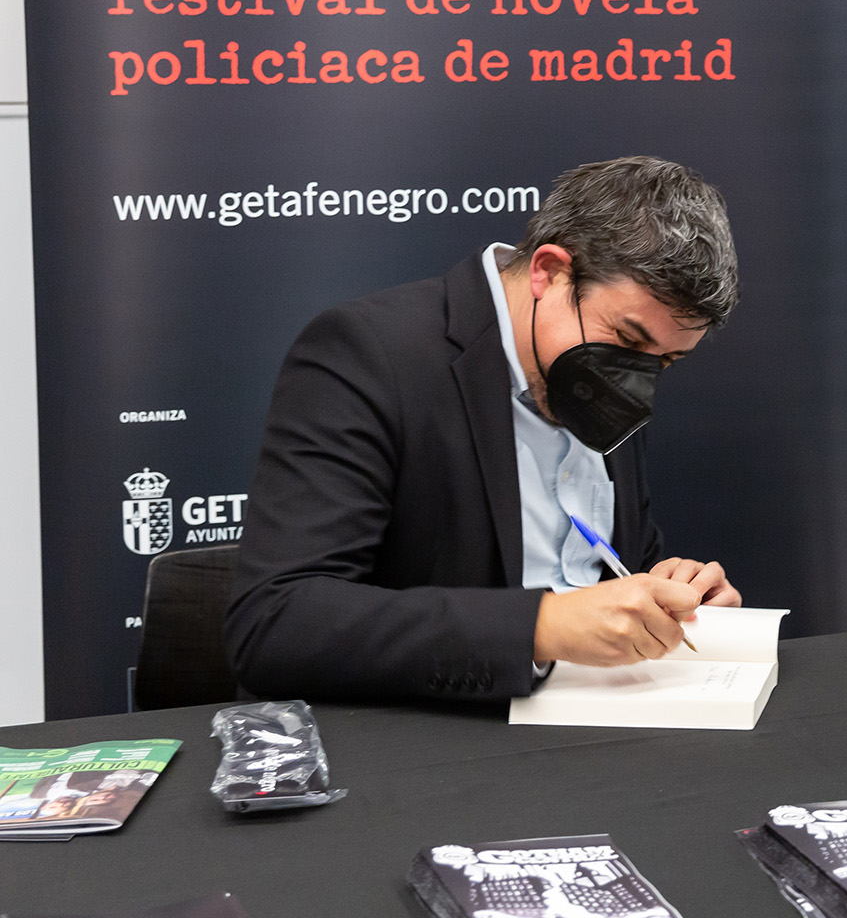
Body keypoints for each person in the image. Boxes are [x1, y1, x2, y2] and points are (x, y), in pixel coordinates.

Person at [226, 156, 743, 702]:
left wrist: (669, 595)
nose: (636, 381)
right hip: (430, 737)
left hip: (606, 720)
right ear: (548, 271)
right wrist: (542, 625)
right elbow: (275, 623)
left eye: (665, 362)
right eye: (627, 341)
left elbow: (613, 571)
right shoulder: (369, 354)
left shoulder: (602, 365)